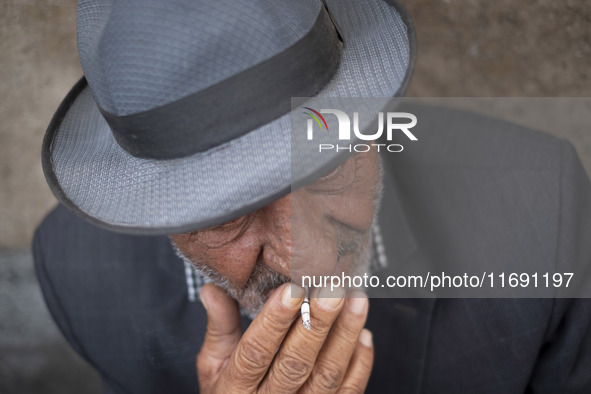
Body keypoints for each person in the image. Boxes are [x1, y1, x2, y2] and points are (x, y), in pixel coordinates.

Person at [33, 0, 591, 393]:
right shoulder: (81, 277)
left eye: (324, 163)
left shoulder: (543, 208)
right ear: (156, 209)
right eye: (229, 213)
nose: (307, 257)